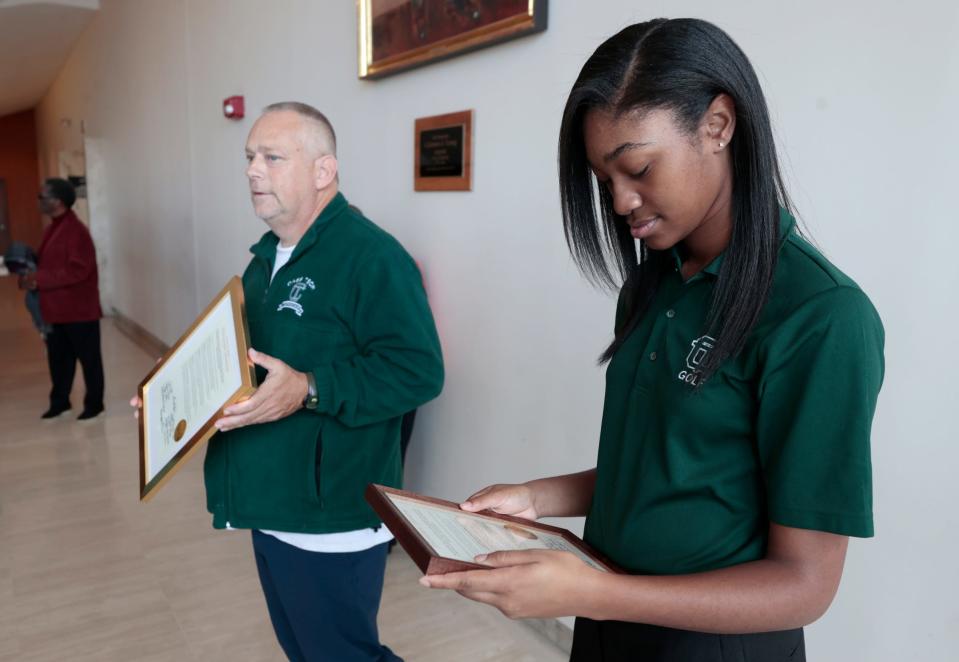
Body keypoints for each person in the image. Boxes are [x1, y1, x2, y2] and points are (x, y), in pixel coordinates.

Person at [421, 18, 884, 662]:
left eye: (637, 167)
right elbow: (667, 465)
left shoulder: (821, 315)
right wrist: (536, 497)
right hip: (611, 626)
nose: (619, 201)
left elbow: (804, 586)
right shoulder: (653, 285)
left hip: (716, 646)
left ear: (718, 125)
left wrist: (594, 593)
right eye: (603, 180)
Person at [204, 102, 442, 661]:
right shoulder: (266, 258)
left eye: (272, 157)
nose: (252, 171)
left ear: (323, 171)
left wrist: (311, 387)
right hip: (271, 501)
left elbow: (418, 370)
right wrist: (171, 400)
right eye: (249, 158)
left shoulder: (372, 257)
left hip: (330, 516)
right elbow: (249, 362)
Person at [20, 178, 104, 420]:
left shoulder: (76, 232)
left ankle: (94, 404)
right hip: (56, 310)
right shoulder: (52, 228)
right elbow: (48, 263)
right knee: (59, 360)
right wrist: (29, 272)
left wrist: (40, 278)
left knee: (89, 360)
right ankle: (60, 402)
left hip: (79, 310)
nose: (39, 201)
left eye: (42, 197)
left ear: (57, 201)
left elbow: (79, 270)